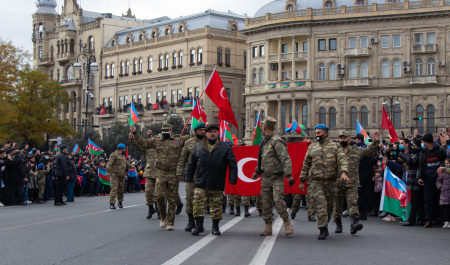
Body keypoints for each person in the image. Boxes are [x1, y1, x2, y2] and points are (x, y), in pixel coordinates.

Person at [129, 123, 189, 231]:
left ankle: (170, 222)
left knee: (172, 199)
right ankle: (163, 216)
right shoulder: (157, 140)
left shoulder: (178, 139)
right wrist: (135, 133)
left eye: (167, 130)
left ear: (171, 130)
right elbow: (143, 143)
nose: (165, 132)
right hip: (160, 173)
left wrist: (199, 128)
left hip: (173, 173)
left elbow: (192, 138)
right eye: (163, 130)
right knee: (158, 196)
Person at [185, 124, 238, 236]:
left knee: (216, 206)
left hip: (216, 182)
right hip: (200, 181)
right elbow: (191, 163)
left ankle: (215, 227)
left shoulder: (224, 147)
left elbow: (232, 164)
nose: (212, 133)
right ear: (206, 134)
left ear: (218, 133)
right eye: (210, 132)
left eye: (215, 131)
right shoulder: (199, 146)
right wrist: (189, 177)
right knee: (198, 205)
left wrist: (232, 179)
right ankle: (198, 226)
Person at [299, 124, 349, 240]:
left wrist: (344, 172)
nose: (317, 135)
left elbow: (342, 160)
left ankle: (325, 224)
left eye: (319, 133)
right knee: (321, 205)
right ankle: (322, 228)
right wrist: (302, 180)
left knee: (329, 206)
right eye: (316, 133)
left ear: (325, 133)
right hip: (317, 182)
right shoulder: (312, 148)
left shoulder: (335, 147)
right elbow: (306, 164)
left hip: (331, 182)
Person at [251, 117, 294, 237]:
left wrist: (288, 175)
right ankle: (268, 226)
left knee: (278, 200)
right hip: (265, 177)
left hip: (277, 177)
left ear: (264, 127)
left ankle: (287, 223)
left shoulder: (276, 141)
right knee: (266, 202)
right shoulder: (264, 141)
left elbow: (285, 158)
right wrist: (257, 171)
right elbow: (261, 158)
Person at [333, 131, 379, 234]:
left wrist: (375, 142)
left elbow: (369, 151)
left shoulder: (356, 151)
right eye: (341, 138)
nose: (342, 140)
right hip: (338, 182)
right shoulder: (336, 151)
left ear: (349, 140)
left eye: (344, 138)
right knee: (338, 204)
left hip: (352, 181)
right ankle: (338, 224)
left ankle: (354, 223)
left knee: (353, 202)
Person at [176, 122, 207, 232]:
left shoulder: (209, 142)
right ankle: (190, 221)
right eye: (200, 130)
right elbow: (182, 159)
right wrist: (179, 172)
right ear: (196, 131)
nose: (203, 132)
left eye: (204, 130)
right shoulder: (188, 143)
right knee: (189, 199)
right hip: (191, 177)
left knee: (201, 201)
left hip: (205, 177)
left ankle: (199, 222)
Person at [417, 133, 447, 227]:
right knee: (428, 200)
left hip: (439, 179)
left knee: (440, 199)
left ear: (427, 142)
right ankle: (428, 219)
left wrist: (441, 167)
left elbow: (445, 161)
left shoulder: (440, 150)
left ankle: (441, 219)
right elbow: (421, 166)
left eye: (423, 142)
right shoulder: (423, 152)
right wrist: (419, 177)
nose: (422, 143)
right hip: (428, 179)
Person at [399, 137, 425, 226]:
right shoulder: (417, 153)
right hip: (414, 179)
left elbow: (410, 161)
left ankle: (411, 220)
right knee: (419, 201)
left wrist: (405, 152)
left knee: (415, 202)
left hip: (415, 180)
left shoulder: (419, 154)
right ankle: (421, 219)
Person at [133, 130, 158, 219]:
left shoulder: (161, 147)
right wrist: (133, 137)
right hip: (150, 172)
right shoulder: (148, 148)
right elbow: (138, 144)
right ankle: (151, 208)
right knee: (148, 192)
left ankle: (159, 209)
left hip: (160, 173)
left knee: (159, 194)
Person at [107, 144, 132, 209]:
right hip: (114, 175)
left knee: (121, 189)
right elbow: (109, 164)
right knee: (114, 189)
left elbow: (126, 163)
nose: (124, 150)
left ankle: (120, 202)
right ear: (121, 149)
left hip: (121, 175)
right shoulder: (114, 155)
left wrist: (131, 166)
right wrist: (108, 172)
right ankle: (112, 203)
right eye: (124, 149)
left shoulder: (122, 156)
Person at [437, 157, 450, 228]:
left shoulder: (445, 170)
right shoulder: (443, 171)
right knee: (446, 208)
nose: (446, 165)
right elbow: (438, 180)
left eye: (448, 163)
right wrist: (440, 187)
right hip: (445, 191)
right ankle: (447, 221)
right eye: (445, 164)